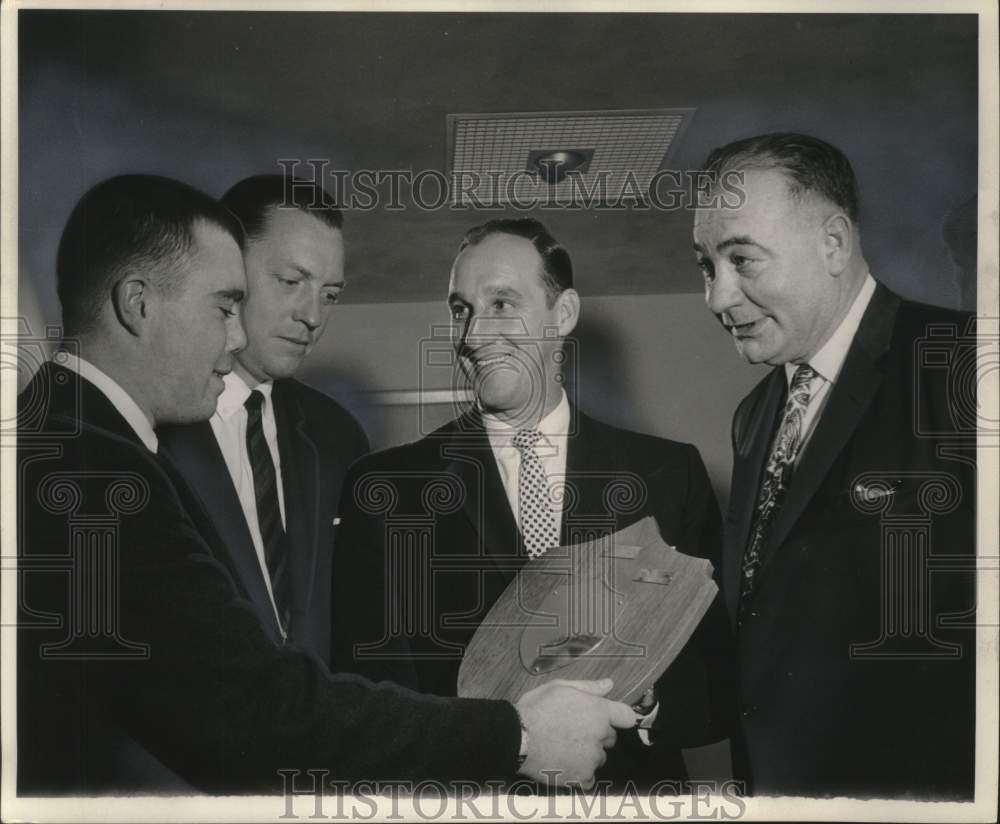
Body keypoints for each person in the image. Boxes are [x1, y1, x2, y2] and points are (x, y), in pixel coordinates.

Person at [16, 175, 637, 795]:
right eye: (226, 306)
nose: (238, 335)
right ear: (138, 303)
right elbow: (247, 702)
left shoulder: (66, 438)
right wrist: (516, 736)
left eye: (330, 293)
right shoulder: (94, 466)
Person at [332, 218, 736, 787]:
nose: (473, 335)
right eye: (461, 310)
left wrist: (642, 696)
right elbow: (375, 699)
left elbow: (719, 683)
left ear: (562, 314)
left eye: (501, 304)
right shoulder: (386, 488)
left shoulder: (669, 475)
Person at [692, 132, 976, 799]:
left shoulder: (965, 362)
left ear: (834, 244)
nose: (718, 297)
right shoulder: (754, 415)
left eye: (742, 259)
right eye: (706, 265)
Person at [158, 176, 368, 662]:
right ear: (227, 266)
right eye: (291, 282)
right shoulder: (150, 423)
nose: (312, 316)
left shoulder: (338, 436)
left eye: (330, 295)